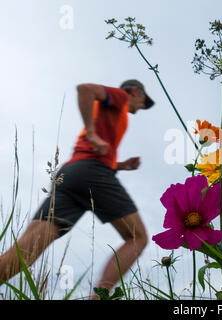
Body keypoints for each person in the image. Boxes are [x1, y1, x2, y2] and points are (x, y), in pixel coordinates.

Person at [0, 79, 154, 299]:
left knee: (30, 246)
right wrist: (92, 133)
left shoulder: (115, 115)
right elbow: (85, 89)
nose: (140, 108)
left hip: (70, 173)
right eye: (143, 101)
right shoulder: (121, 97)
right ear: (135, 91)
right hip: (92, 171)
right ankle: (98, 297)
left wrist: (121, 165)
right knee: (137, 238)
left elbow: (96, 152)